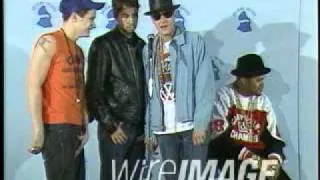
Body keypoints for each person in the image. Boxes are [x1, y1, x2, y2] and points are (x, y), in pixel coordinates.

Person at [26, 0, 105, 179]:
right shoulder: (49, 42)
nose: (93, 24)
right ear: (75, 17)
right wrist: (38, 130)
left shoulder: (78, 51)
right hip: (56, 127)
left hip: (75, 129)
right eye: (90, 19)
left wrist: (84, 125)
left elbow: (80, 89)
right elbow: (33, 85)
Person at [143, 0, 215, 179]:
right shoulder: (149, 49)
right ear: (152, 20)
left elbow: (204, 84)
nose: (162, 20)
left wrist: (200, 123)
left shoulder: (193, 42)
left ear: (174, 14)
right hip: (163, 129)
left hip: (191, 126)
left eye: (167, 13)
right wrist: (150, 129)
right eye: (156, 16)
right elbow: (149, 92)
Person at [85, 0, 146, 179]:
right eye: (126, 16)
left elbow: (147, 90)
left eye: (134, 15)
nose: (131, 21)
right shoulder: (103, 44)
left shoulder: (141, 46)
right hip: (116, 128)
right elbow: (94, 90)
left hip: (139, 131)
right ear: (116, 16)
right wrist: (110, 125)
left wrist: (145, 127)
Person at [209, 54, 291, 179]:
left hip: (258, 157)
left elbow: (274, 138)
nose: (262, 84)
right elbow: (220, 139)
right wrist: (256, 161)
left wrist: (273, 160)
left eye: (262, 80)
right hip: (231, 156)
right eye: (258, 80)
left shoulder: (263, 101)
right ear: (242, 79)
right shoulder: (224, 96)